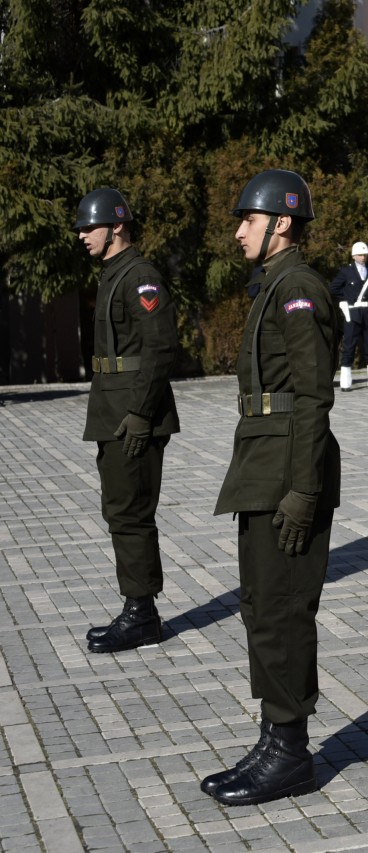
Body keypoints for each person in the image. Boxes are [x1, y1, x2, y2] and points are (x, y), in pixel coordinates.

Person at [202, 169, 342, 807]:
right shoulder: (274, 285)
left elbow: (314, 398)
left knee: (285, 612)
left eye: (247, 221)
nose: (238, 232)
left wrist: (304, 491)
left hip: (289, 472)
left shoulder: (299, 290)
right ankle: (273, 737)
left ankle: (290, 753)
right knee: (261, 607)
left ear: (280, 223)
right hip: (263, 466)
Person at [75, 188, 180, 654]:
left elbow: (160, 347)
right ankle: (140, 609)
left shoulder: (139, 276)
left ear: (116, 226)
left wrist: (139, 414)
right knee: (121, 511)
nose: (81, 235)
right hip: (114, 413)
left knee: (130, 513)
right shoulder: (113, 274)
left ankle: (141, 614)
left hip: (131, 418)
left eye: (88, 227)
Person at [329, 240, 368, 391]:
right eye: (360, 255)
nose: (363, 257)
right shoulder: (346, 272)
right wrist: (346, 298)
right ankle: (345, 381)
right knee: (349, 346)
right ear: (354, 256)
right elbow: (333, 288)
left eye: (365, 255)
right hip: (353, 313)